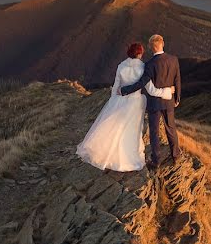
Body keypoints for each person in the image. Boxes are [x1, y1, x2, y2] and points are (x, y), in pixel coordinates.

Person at [76, 42, 175, 171]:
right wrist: (168, 91)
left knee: (114, 128)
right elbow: (151, 90)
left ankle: (106, 152)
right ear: (140, 53)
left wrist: (112, 103)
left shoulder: (121, 66)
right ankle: (126, 157)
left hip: (120, 100)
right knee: (131, 130)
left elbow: (116, 87)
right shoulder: (143, 68)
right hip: (135, 103)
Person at [119, 34, 181, 169]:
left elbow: (142, 83)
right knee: (171, 129)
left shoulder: (149, 64)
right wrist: (177, 98)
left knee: (154, 132)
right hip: (169, 101)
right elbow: (177, 80)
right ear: (162, 43)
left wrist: (124, 90)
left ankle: (156, 161)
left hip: (154, 103)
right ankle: (175, 156)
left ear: (151, 48)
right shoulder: (173, 59)